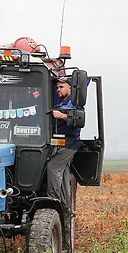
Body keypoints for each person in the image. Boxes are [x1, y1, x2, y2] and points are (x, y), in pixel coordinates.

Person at [46, 79, 81, 212]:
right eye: (57, 88)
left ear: (70, 89)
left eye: (61, 87)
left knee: (53, 168)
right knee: (64, 173)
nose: (58, 90)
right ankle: (66, 205)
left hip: (69, 144)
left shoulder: (74, 103)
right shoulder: (60, 102)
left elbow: (78, 118)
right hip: (61, 144)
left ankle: (53, 201)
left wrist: (61, 116)